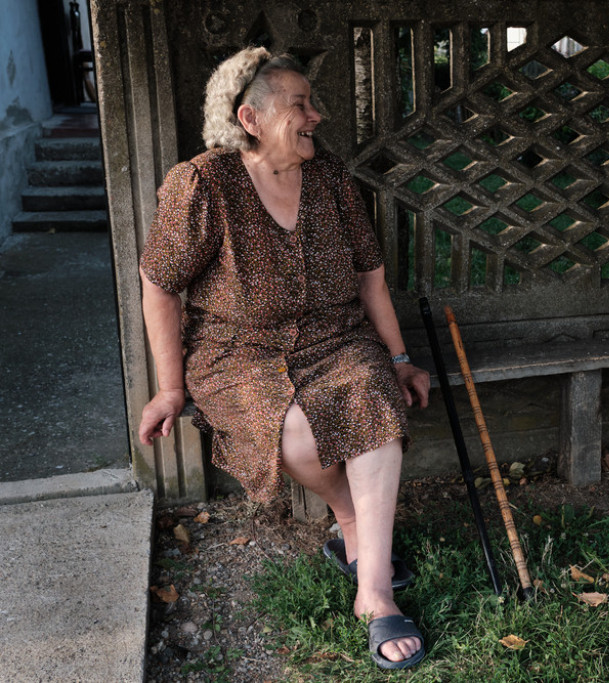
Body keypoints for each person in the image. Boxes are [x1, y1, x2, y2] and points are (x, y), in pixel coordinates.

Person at [137, 47, 429, 669]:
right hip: (236, 352)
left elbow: (371, 275)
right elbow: (160, 284)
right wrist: (169, 388)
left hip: (335, 337)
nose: (316, 116)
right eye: (301, 104)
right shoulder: (203, 184)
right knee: (294, 434)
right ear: (250, 117)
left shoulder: (329, 178)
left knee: (373, 398)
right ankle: (351, 519)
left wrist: (400, 356)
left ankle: (374, 594)